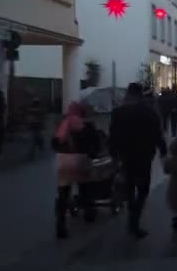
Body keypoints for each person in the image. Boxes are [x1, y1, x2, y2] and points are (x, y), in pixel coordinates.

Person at [109, 83, 167, 239]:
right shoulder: (149, 112)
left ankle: (131, 213)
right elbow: (157, 134)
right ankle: (134, 219)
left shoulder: (118, 112)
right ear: (141, 94)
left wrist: (113, 156)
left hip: (125, 156)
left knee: (129, 188)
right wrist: (163, 153)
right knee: (143, 189)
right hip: (144, 156)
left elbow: (112, 136)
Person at [52, 102, 99, 239]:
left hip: (63, 161)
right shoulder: (88, 125)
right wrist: (92, 154)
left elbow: (54, 143)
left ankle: (61, 224)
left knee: (63, 194)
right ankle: (88, 213)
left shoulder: (63, 124)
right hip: (81, 160)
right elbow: (95, 143)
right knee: (86, 188)